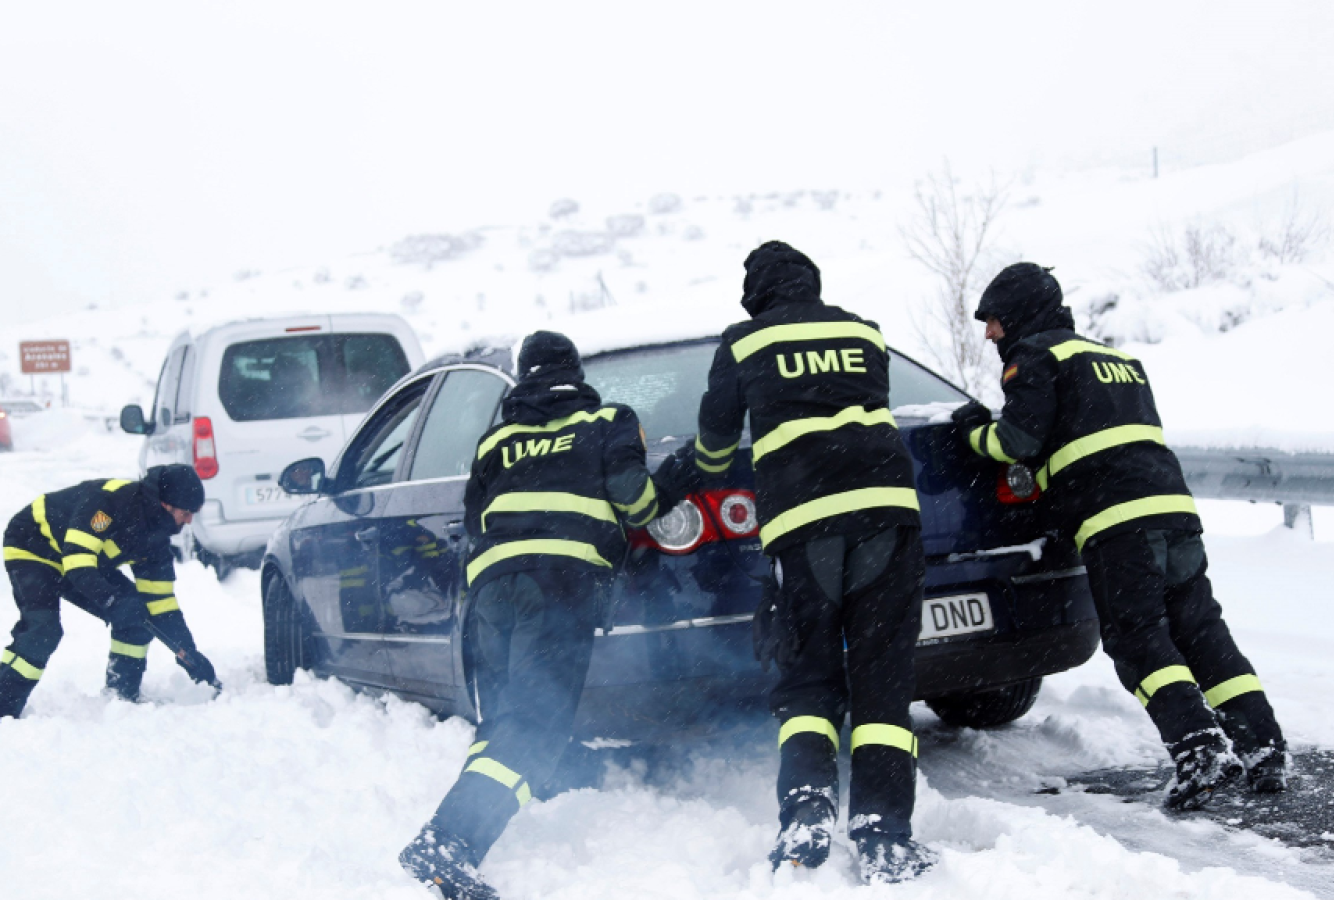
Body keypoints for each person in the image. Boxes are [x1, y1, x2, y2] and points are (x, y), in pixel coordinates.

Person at [952, 262, 1287, 809]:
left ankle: (1199, 749)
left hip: (1118, 523)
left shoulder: (1034, 357)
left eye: (991, 320)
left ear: (1015, 314)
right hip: (1174, 511)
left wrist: (972, 431)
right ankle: (1263, 747)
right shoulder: (1115, 360)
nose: (989, 332)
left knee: (1138, 640)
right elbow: (1089, 439)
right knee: (1200, 630)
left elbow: (1016, 439)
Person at [679, 241, 935, 884]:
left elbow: (713, 449)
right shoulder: (862, 332)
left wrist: (694, 472)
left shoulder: (743, 342)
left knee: (808, 676)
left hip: (805, 522)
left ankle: (806, 815)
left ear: (756, 295)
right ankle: (884, 831)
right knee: (883, 675)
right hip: (888, 513)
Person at [399, 331, 674, 900]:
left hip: (491, 591)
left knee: (502, 718)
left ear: (524, 379)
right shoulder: (607, 421)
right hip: (558, 585)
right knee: (537, 725)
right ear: (575, 372)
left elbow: (475, 522)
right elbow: (637, 500)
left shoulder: (496, 440)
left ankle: (486, 808)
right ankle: (448, 840)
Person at [0, 464, 221, 722]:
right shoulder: (110, 503)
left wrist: (187, 652)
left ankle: (121, 697)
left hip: (82, 563)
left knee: (137, 614)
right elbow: (77, 562)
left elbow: (161, 603)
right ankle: (0, 714)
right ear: (165, 505)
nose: (189, 521)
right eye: (186, 513)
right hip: (33, 545)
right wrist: (111, 601)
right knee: (43, 630)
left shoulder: (156, 537)